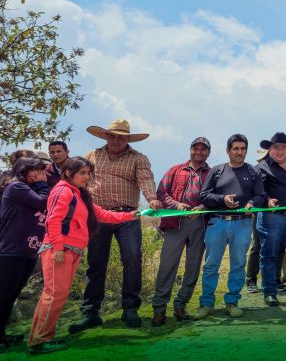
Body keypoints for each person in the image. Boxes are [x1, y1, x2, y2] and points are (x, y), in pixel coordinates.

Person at [27, 157, 139, 355]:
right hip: (59, 250)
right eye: (82, 173)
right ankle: (39, 342)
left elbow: (103, 215)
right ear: (69, 172)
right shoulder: (62, 190)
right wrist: (58, 249)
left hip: (72, 250)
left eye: (89, 173)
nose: (87, 177)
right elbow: (53, 220)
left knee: (55, 295)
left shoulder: (79, 195)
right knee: (54, 295)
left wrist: (132, 215)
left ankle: (42, 338)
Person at [70, 120, 160, 333]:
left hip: (127, 216)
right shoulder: (92, 155)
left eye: (121, 136)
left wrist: (152, 199)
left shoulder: (138, 158)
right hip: (98, 215)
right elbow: (80, 179)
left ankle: (130, 309)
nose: (116, 140)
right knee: (95, 262)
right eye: (113, 136)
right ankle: (90, 312)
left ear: (128, 139)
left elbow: (146, 180)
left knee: (132, 258)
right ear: (106, 137)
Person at [198, 134, 265, 318]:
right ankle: (206, 304)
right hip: (217, 223)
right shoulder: (217, 171)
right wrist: (222, 200)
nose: (239, 152)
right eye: (235, 148)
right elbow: (204, 195)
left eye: (243, 149)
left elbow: (261, 195)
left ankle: (232, 301)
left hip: (242, 224)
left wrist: (252, 203)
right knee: (211, 265)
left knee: (238, 265)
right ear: (228, 151)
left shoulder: (253, 172)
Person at [150, 137, 211, 326]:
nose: (199, 152)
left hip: (199, 224)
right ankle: (159, 309)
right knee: (167, 266)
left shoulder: (212, 173)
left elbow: (214, 197)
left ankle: (180, 305)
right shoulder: (175, 170)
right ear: (190, 150)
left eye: (203, 149)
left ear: (208, 152)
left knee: (193, 267)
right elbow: (161, 192)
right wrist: (177, 205)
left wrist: (201, 207)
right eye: (196, 148)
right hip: (175, 223)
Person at [0, 158, 50, 350]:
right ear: (23, 170)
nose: (37, 174)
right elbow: (42, 203)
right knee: (3, 295)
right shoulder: (17, 187)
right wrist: (42, 184)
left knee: (11, 295)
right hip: (10, 251)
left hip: (27, 251)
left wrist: (40, 185)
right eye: (33, 170)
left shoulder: (31, 189)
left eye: (40, 171)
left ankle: (2, 335)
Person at [256, 132, 286, 307]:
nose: (279, 151)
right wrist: (267, 200)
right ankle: (269, 292)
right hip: (271, 218)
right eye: (276, 147)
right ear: (269, 149)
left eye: (283, 147)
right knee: (269, 255)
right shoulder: (261, 167)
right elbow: (257, 193)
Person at [245, 148, 270, 294]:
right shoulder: (256, 170)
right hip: (260, 212)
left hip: (277, 213)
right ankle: (251, 278)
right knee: (257, 245)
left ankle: (274, 278)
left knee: (276, 246)